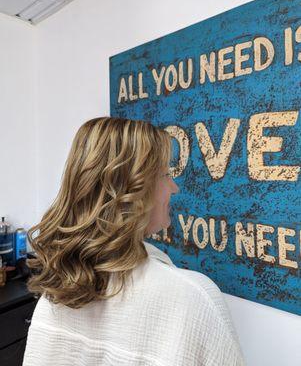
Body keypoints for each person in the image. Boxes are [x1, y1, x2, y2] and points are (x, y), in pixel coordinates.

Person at [22, 116, 245, 366]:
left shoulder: (57, 291)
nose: (174, 188)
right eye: (165, 174)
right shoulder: (193, 299)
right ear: (132, 191)